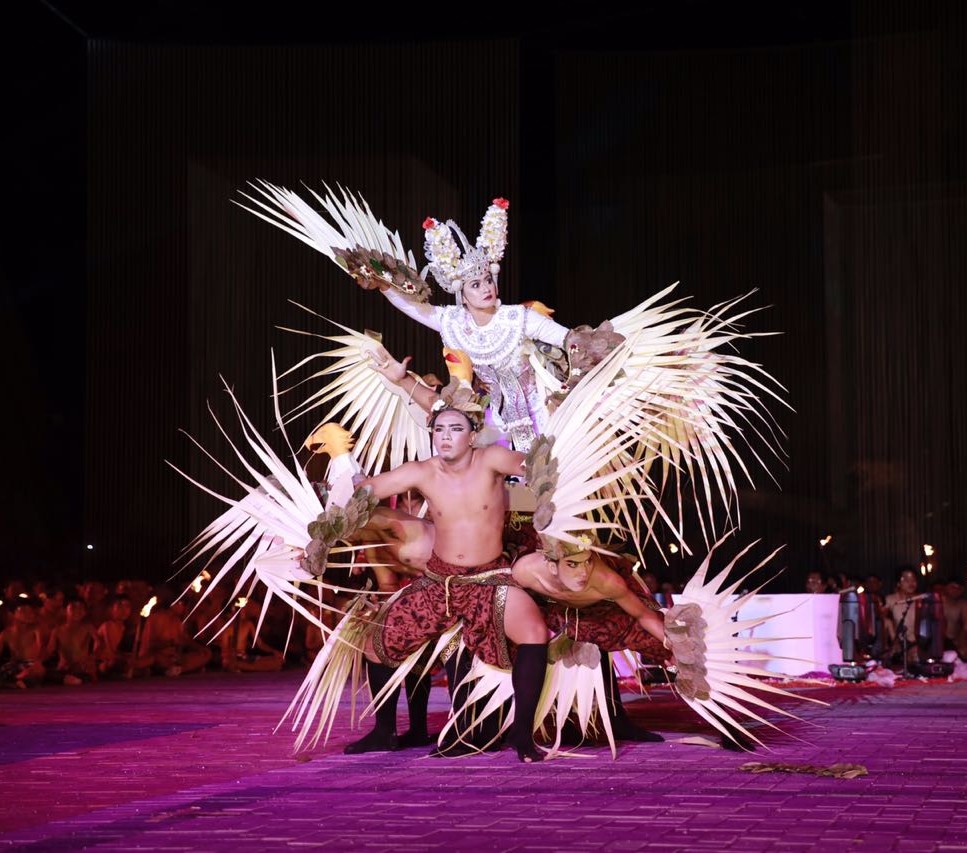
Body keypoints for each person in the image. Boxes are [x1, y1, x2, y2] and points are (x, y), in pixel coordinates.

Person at [338, 405, 550, 762]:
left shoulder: (490, 460)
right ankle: (383, 731)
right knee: (374, 645)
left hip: (487, 579)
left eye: (455, 429)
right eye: (439, 430)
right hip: (440, 582)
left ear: (472, 434)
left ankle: (522, 735)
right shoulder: (422, 472)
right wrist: (338, 508)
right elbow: (368, 489)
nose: (446, 436)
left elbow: (529, 465)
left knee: (534, 633)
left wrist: (540, 473)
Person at [512, 545, 668, 743]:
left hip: (596, 612)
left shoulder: (608, 581)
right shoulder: (524, 571)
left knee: (619, 638)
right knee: (534, 649)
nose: (583, 572)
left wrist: (671, 645)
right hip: (545, 607)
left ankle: (615, 720)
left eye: (588, 563)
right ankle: (552, 724)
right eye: (573, 565)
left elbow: (644, 616)